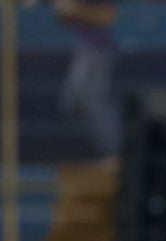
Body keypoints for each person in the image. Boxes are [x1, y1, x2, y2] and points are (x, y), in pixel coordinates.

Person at [55, 0, 120, 161]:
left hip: (98, 50)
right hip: (85, 50)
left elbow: (108, 16)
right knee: (71, 102)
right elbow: (63, 20)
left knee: (92, 100)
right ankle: (102, 149)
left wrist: (77, 10)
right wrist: (68, 11)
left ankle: (115, 150)